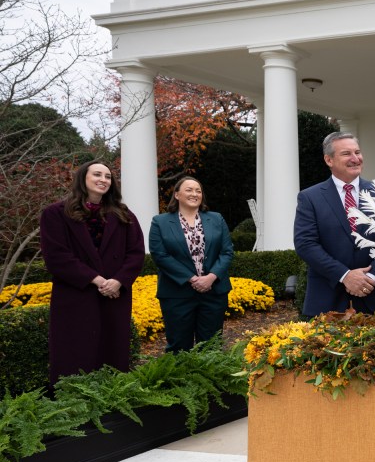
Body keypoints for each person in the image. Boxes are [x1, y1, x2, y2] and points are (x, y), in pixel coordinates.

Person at [39, 160, 145, 384]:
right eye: (97, 174)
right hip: (76, 296)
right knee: (75, 351)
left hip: (114, 296)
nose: (103, 180)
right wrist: (96, 280)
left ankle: (112, 402)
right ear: (83, 179)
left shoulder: (124, 215)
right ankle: (73, 404)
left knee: (112, 351)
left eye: (108, 177)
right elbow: (57, 256)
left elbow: (135, 254)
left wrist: (118, 281)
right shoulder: (56, 214)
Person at [294, 131, 375, 318]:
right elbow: (306, 244)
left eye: (357, 152)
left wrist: (371, 277)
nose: (355, 158)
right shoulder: (310, 198)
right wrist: (345, 275)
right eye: (346, 154)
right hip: (327, 298)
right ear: (329, 160)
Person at [148, 176, 235, 352]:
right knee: (178, 347)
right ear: (177, 194)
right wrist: (192, 279)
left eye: (198, 190)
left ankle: (211, 380)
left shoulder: (216, 219)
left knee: (211, 346)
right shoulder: (160, 222)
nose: (194, 194)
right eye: (189, 190)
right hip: (176, 293)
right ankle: (179, 380)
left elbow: (227, 252)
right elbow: (160, 255)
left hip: (214, 292)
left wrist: (210, 277)